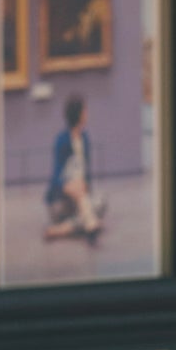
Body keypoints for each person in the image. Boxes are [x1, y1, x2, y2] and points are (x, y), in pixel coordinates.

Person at [43, 94, 103, 241]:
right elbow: (56, 176)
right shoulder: (61, 140)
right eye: (84, 110)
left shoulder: (85, 139)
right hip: (62, 201)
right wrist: (69, 187)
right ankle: (89, 223)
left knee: (101, 202)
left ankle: (60, 230)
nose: (86, 113)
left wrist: (85, 185)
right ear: (78, 114)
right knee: (89, 207)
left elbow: (86, 174)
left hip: (80, 198)